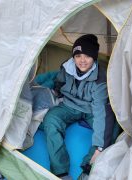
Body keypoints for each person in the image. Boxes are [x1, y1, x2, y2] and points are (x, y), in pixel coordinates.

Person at [43, 34, 115, 179]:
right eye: (78, 56)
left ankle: (89, 169)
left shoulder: (100, 79)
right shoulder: (66, 68)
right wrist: (56, 93)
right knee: (50, 119)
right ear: (73, 57)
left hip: (91, 110)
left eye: (87, 56)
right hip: (69, 105)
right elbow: (59, 82)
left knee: (106, 135)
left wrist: (100, 146)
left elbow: (99, 111)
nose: (82, 60)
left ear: (94, 57)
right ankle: (60, 171)